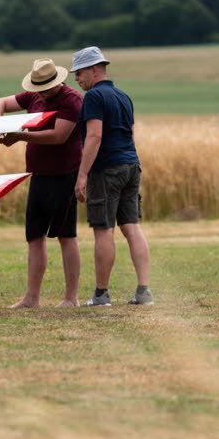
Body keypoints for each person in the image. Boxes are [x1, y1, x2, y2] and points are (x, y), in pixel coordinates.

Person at [0, 58, 83, 308]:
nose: (41, 93)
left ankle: (71, 298)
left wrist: (20, 135)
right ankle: (31, 298)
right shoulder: (33, 97)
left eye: (45, 88)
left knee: (66, 235)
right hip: (39, 175)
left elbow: (58, 136)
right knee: (34, 236)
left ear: (58, 82)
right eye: (37, 88)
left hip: (65, 175)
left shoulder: (71, 100)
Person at [71, 47, 153, 306]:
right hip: (131, 165)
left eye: (80, 72)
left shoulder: (94, 97)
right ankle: (143, 291)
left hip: (106, 169)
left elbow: (94, 136)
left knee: (103, 229)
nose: (76, 78)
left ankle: (101, 294)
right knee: (131, 226)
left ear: (95, 70)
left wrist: (82, 175)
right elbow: (130, 133)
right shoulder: (123, 96)